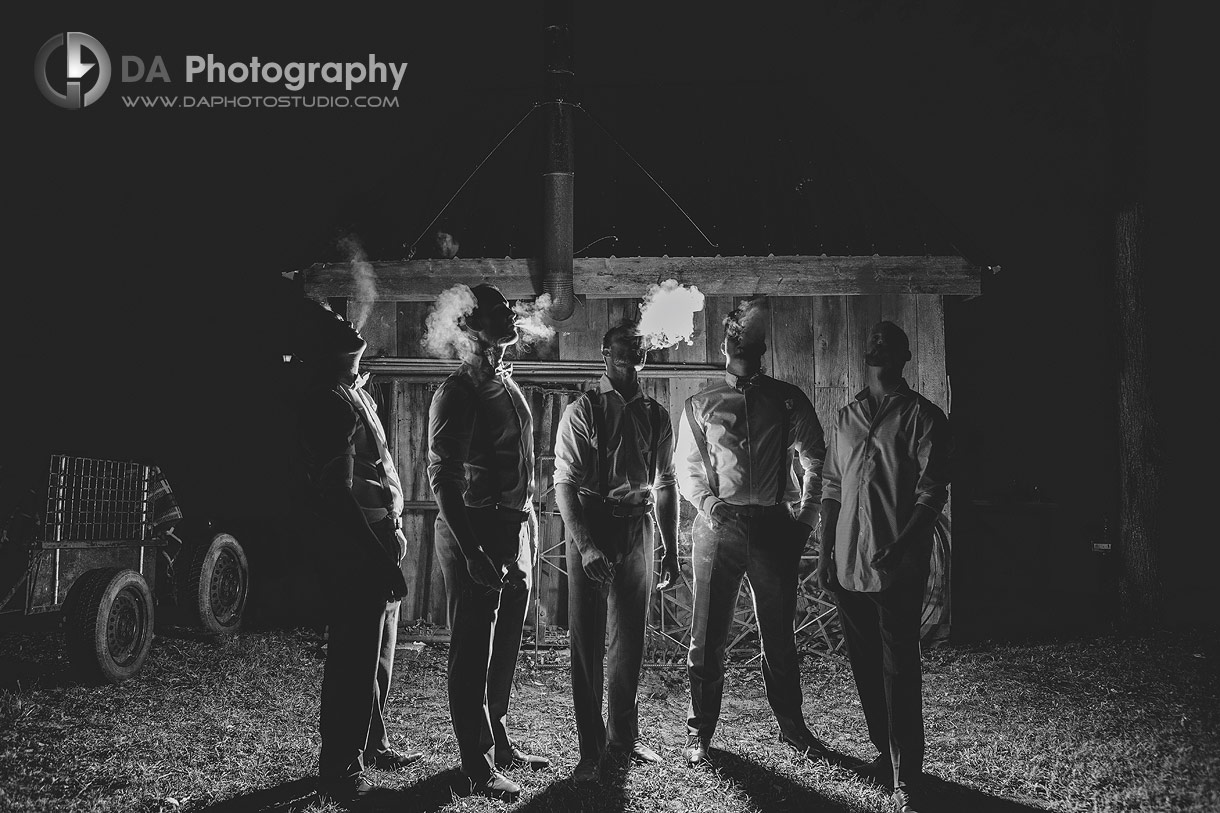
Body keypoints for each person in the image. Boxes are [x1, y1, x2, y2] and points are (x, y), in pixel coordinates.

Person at [675, 302, 829, 767]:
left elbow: (816, 460)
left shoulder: (788, 398)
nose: (743, 345)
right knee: (706, 636)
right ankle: (699, 734)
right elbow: (686, 471)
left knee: (779, 636)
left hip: (773, 527)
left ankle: (793, 728)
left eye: (751, 338)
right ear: (724, 345)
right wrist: (708, 505)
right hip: (718, 527)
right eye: (735, 337)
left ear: (762, 347)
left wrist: (805, 519)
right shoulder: (701, 404)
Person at [292, 297, 423, 806]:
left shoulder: (353, 391)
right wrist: (374, 554)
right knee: (353, 657)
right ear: (324, 347)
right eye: (335, 322)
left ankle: (373, 742)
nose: (347, 322)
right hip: (354, 547)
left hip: (376, 538)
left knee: (379, 653)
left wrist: (391, 531)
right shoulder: (329, 399)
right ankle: (340, 771)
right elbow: (336, 492)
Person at [818, 320, 950, 813]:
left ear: (904, 355)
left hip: (896, 565)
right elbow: (832, 486)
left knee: (900, 666)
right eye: (872, 342)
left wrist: (904, 543)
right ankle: (883, 751)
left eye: (888, 344)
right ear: (865, 353)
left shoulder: (923, 418)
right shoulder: (847, 417)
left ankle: (906, 766)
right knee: (865, 663)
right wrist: (827, 550)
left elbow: (932, 494)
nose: (878, 350)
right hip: (850, 561)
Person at [427, 283, 551, 802]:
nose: (498, 343)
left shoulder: (505, 380)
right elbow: (442, 480)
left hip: (512, 529)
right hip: (474, 532)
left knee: (503, 645)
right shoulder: (457, 393)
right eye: (490, 331)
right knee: (472, 647)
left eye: (504, 331)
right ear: (469, 333)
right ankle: (474, 764)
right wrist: (474, 552)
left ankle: (494, 734)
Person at [553, 321, 681, 782]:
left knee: (630, 638)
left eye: (641, 343)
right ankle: (590, 751)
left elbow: (667, 483)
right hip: (593, 522)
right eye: (626, 342)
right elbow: (564, 482)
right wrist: (584, 544)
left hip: (638, 526)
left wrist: (669, 546)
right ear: (605, 352)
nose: (635, 348)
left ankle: (622, 738)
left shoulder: (656, 414)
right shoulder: (583, 410)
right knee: (587, 642)